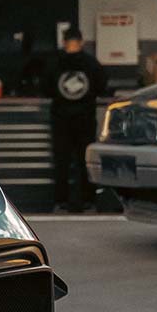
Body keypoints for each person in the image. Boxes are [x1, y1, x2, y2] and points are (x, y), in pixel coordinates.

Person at [43, 27, 104, 212]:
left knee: (61, 163)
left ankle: (60, 203)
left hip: (61, 120)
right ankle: (88, 202)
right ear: (82, 41)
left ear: (64, 41)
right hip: (85, 120)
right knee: (84, 162)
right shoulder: (91, 63)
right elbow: (102, 85)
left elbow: (45, 88)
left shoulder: (54, 63)